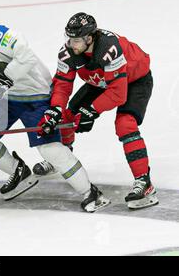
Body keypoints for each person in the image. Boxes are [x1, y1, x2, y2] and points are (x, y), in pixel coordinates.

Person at [0, 5, 110, 212]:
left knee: (50, 150)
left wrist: (7, 77)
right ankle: (19, 172)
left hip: (38, 96)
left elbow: (25, 55)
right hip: (7, 100)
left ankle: (90, 193)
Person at [37, 12, 158, 210]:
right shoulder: (69, 52)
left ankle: (145, 184)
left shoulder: (109, 48)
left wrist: (91, 111)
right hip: (101, 80)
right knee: (67, 117)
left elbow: (118, 94)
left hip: (135, 80)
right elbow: (61, 85)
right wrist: (55, 110)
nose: (70, 44)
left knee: (125, 124)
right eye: (69, 38)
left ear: (89, 38)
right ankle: (63, 157)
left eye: (75, 40)